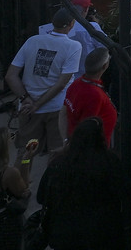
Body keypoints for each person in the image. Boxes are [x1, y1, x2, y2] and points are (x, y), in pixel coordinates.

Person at [34, 116, 128, 250]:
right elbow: (123, 192)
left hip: (67, 233)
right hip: (103, 229)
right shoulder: (110, 162)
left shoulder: (59, 165)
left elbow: (41, 196)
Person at [6, 9, 85, 152]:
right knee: (57, 153)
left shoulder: (32, 40)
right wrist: (37, 105)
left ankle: (21, 173)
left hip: (27, 108)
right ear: (71, 24)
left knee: (26, 154)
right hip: (56, 109)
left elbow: (11, 76)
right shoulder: (73, 46)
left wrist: (26, 99)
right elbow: (61, 84)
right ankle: (52, 174)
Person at [61, 48, 118, 144]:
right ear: (105, 66)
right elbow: (87, 130)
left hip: (77, 144)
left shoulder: (77, 83)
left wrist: (65, 140)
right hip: (92, 151)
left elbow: (63, 113)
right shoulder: (94, 95)